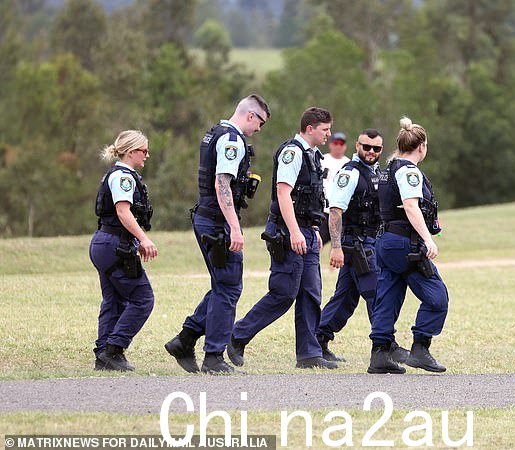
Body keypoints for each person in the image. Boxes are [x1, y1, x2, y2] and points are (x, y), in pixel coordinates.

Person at [164, 94, 270, 374]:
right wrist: (235, 227)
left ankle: (185, 340)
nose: (259, 129)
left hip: (208, 218)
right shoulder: (232, 141)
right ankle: (213, 357)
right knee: (229, 288)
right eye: (260, 123)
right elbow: (222, 182)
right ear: (250, 116)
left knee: (224, 285)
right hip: (216, 223)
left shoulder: (214, 134)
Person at [227, 107, 337, 370]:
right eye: (325, 130)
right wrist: (296, 232)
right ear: (310, 128)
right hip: (288, 233)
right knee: (283, 294)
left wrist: (313, 231)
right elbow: (283, 193)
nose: (329, 135)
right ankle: (236, 336)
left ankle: (309, 354)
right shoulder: (293, 153)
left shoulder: (313, 156)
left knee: (311, 293)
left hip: (307, 232)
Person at [316, 129, 409, 363]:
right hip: (356, 244)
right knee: (378, 294)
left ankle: (318, 340)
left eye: (376, 148)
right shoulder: (350, 173)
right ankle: (387, 345)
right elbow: (335, 211)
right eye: (366, 147)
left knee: (345, 297)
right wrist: (336, 247)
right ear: (357, 146)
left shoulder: (377, 173)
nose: (370, 152)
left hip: (371, 242)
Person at [368, 117, 449, 374]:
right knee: (437, 297)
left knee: (389, 296)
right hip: (406, 244)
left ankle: (380, 354)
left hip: (386, 242)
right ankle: (420, 348)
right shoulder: (409, 172)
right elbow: (411, 206)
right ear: (421, 146)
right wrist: (427, 239)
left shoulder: (388, 169)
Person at [90, 130, 157, 372]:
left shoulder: (118, 175)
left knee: (113, 300)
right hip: (114, 244)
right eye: (144, 151)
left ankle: (103, 355)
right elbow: (123, 211)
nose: (147, 155)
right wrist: (144, 239)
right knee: (143, 299)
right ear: (131, 152)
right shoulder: (123, 178)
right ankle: (113, 350)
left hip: (105, 242)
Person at [318, 132, 350, 244]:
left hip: (340, 212)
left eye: (341, 143)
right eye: (336, 142)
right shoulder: (322, 160)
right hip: (323, 211)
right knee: (318, 243)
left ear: (345, 146)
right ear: (330, 144)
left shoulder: (348, 164)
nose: (338, 146)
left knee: (338, 246)